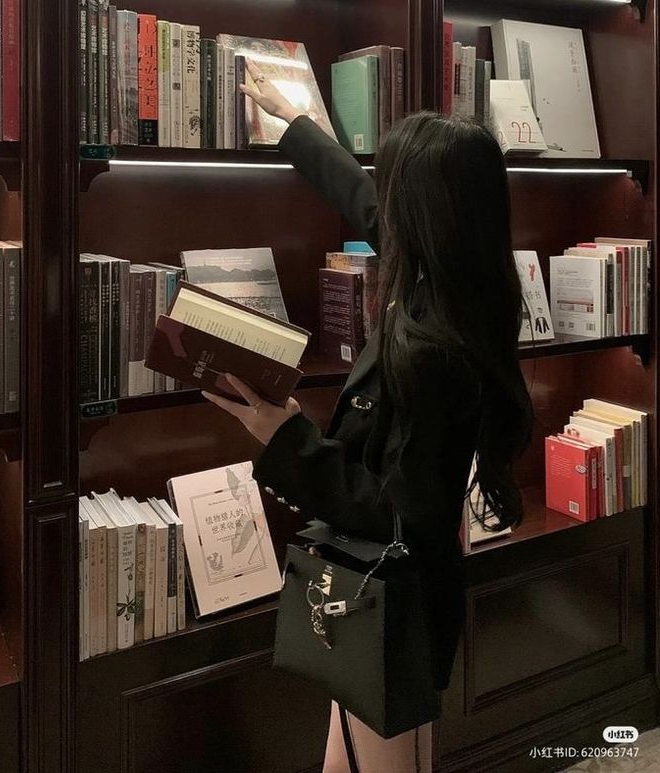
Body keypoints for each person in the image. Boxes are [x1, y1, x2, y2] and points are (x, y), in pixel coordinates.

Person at [202, 60, 533, 773]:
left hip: (395, 605)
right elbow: (358, 196)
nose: (379, 205)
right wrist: (292, 120)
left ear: (422, 217)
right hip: (380, 599)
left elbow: (395, 510)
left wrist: (282, 435)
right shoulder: (455, 280)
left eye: (393, 193)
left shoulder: (438, 348)